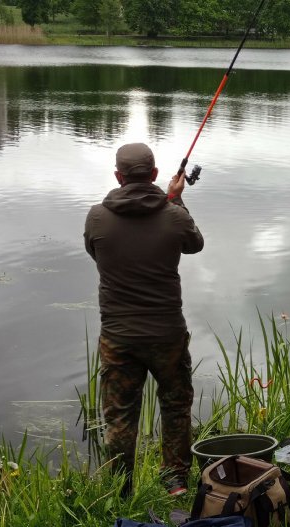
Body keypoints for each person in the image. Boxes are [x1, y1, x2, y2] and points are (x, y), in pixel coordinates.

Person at [84, 143, 204, 496]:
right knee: (176, 404)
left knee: (119, 415)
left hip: (119, 337)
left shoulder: (96, 217)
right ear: (153, 174)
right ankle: (176, 482)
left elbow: (96, 252)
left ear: (118, 176)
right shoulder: (174, 214)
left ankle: (121, 489)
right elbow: (194, 244)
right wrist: (176, 199)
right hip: (167, 333)